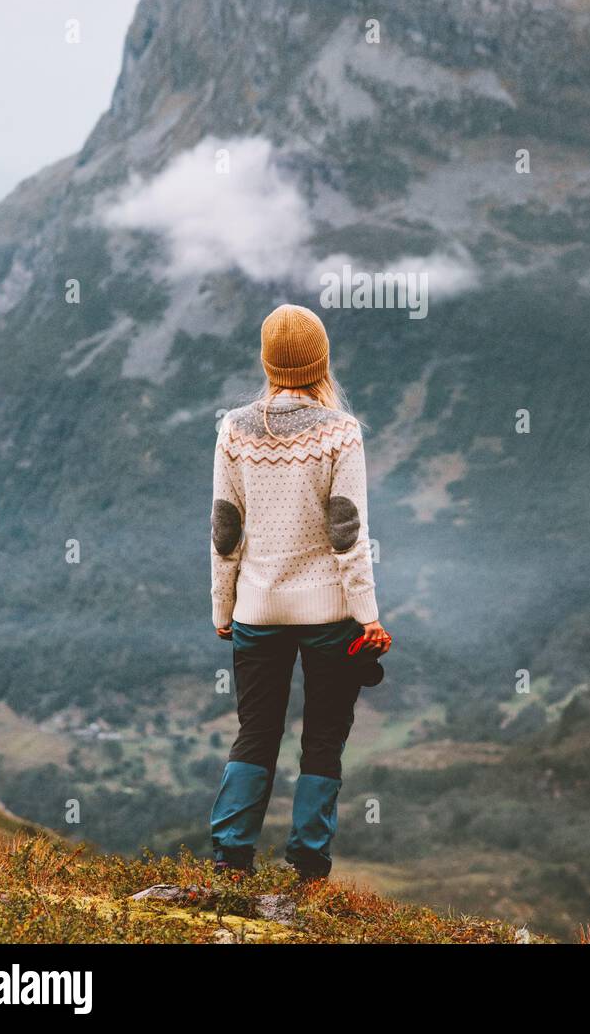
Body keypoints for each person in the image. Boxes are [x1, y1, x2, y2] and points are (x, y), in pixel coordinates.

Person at [209, 303, 391, 878]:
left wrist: (224, 606)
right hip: (329, 615)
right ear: (321, 363)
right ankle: (308, 866)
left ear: (267, 362)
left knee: (255, 731)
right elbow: (349, 536)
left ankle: (231, 857)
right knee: (323, 740)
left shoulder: (234, 428)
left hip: (257, 610)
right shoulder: (340, 432)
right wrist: (368, 616)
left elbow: (224, 532)